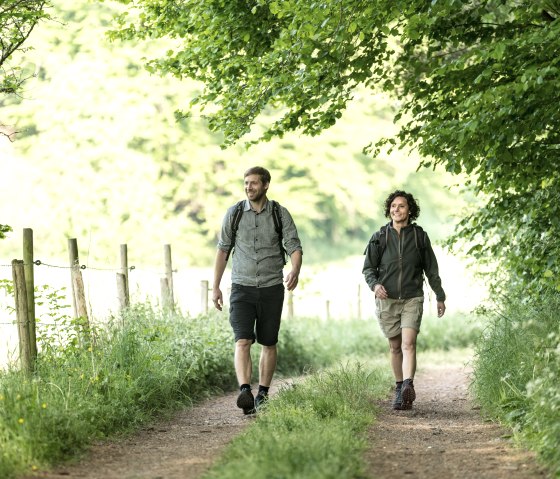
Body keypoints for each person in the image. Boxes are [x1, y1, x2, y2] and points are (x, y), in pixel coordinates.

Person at [212, 166, 303, 415]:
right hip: (241, 287)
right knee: (242, 340)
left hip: (272, 287)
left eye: (253, 183)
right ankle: (244, 391)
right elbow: (223, 250)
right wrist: (216, 286)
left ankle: (263, 392)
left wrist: (295, 269)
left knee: (268, 342)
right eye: (245, 183)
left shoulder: (279, 214)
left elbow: (294, 245)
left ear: (265, 185)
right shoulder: (234, 213)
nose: (248, 187)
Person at [362, 190, 446, 410]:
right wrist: (375, 285)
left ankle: (409, 384)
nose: (396, 210)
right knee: (395, 347)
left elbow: (431, 269)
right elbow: (368, 269)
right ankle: (399, 388)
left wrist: (440, 296)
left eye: (401, 206)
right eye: (393, 206)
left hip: (412, 298)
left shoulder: (420, 236)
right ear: (389, 210)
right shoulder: (379, 237)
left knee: (409, 344)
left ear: (410, 210)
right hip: (387, 299)